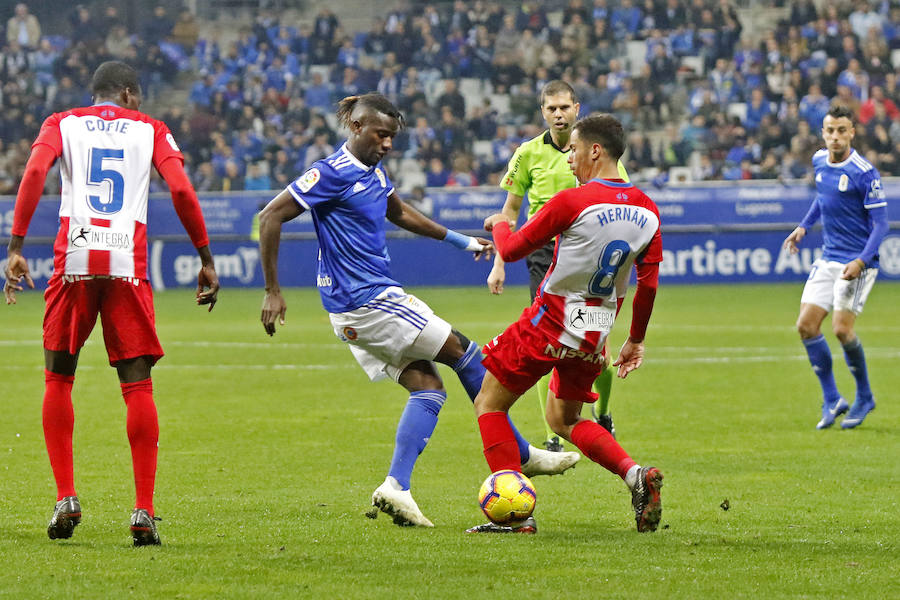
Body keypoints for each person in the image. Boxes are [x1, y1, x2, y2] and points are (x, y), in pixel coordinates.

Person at [257, 93, 579, 528]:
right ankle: (521, 454)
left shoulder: (373, 171)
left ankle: (397, 487)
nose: (387, 143)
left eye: (392, 136)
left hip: (354, 311)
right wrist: (272, 290)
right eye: (380, 134)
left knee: (428, 387)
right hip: (368, 299)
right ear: (356, 127)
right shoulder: (332, 172)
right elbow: (270, 215)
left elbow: (400, 213)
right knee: (470, 356)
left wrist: (461, 241)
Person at [3, 61, 219, 546]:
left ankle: (66, 497)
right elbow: (181, 188)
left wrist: (15, 246)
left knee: (58, 379)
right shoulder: (152, 129)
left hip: (73, 259)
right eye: (137, 95)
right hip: (128, 262)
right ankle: (143, 509)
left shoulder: (61, 122)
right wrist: (205, 256)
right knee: (138, 387)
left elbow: (36, 169)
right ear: (127, 92)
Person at [469, 114, 664, 534]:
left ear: (595, 150)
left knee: (489, 402)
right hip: (594, 331)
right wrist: (635, 340)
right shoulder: (648, 211)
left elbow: (515, 248)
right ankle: (635, 476)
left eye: (573, 151)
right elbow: (647, 284)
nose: (570, 160)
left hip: (549, 321)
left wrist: (500, 222)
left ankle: (516, 516)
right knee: (565, 419)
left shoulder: (572, 201)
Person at [487, 80, 629, 449]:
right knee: (544, 346)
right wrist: (499, 263)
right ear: (543, 112)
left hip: (588, 253)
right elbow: (510, 211)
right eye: (551, 108)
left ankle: (603, 413)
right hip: (544, 254)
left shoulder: (598, 154)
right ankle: (553, 436)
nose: (558, 114)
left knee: (598, 351)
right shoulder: (527, 153)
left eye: (564, 107)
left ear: (577, 108)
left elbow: (620, 201)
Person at [783, 105, 889, 430]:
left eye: (842, 130)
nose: (835, 136)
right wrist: (803, 226)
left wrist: (860, 260)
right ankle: (832, 399)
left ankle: (865, 396)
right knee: (806, 326)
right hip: (829, 258)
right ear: (823, 133)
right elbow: (823, 198)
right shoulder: (818, 161)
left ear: (852, 132)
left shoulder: (864, 172)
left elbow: (882, 224)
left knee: (842, 330)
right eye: (830, 130)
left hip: (857, 261)